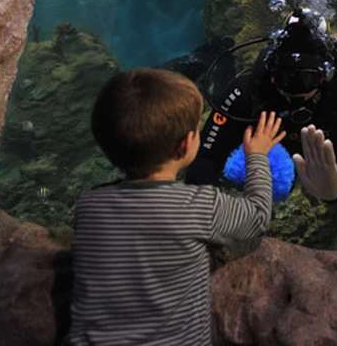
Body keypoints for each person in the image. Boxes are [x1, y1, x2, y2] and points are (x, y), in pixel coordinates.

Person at [66, 68, 285, 346]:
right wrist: (256, 156)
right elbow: (257, 217)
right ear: (185, 146)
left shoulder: (88, 207)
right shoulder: (199, 206)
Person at [185, 7, 337, 204]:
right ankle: (222, 52)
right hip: (264, 147)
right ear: (272, 75)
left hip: (327, 138)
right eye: (286, 78)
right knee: (223, 96)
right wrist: (209, 204)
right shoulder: (245, 90)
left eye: (306, 80)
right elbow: (205, 158)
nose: (295, 91)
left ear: (323, 77)